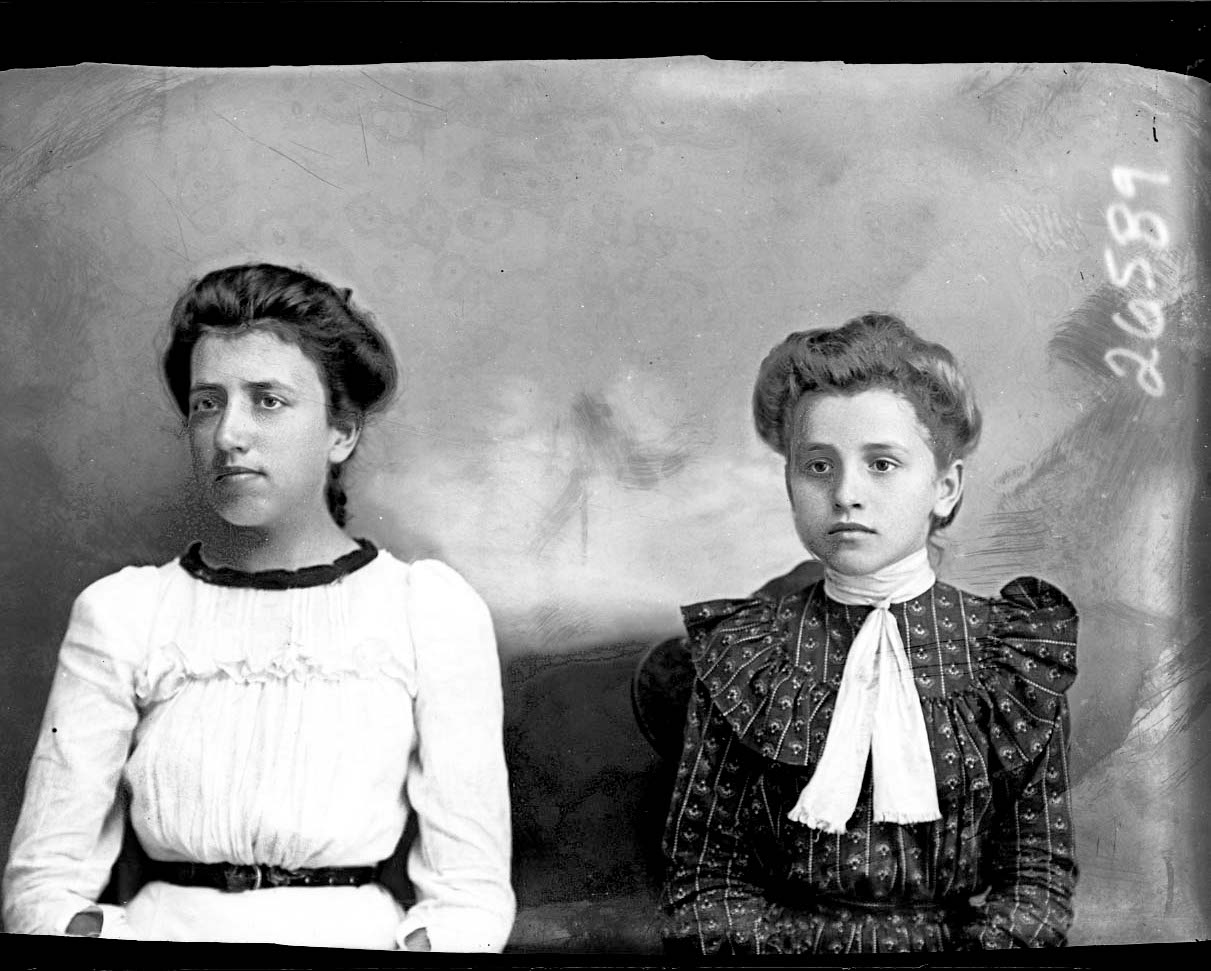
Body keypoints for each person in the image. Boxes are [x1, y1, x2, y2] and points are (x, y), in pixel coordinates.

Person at [2, 263, 516, 951]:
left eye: (268, 400)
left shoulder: (426, 610)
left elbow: (469, 896)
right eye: (207, 403)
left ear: (341, 432)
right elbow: (42, 885)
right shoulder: (125, 612)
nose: (227, 435)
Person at [660, 313, 1078, 953]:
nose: (846, 494)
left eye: (882, 464)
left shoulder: (1008, 653)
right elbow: (703, 884)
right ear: (789, 484)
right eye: (817, 466)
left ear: (945, 487)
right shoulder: (746, 653)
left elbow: (1037, 883)